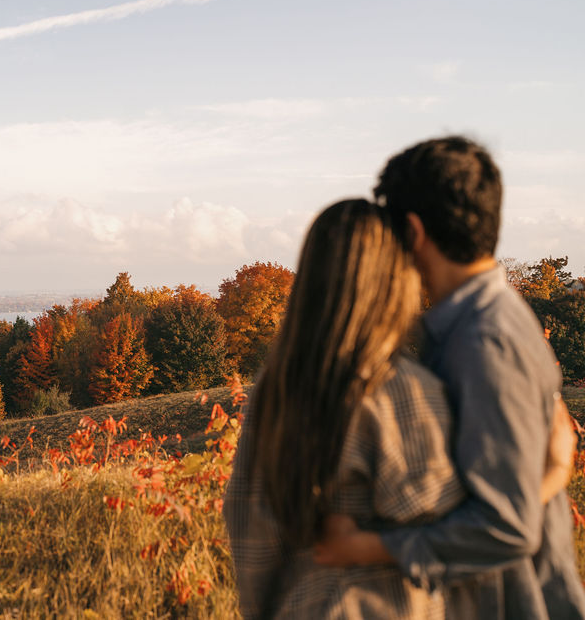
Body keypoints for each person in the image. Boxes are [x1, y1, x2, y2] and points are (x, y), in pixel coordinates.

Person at [313, 136, 585, 618]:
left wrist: (363, 548)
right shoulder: (478, 324)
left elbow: (507, 525)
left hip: (515, 603)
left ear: (413, 231)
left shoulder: (483, 342)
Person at [222, 198, 469, 618]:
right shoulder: (402, 392)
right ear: (394, 280)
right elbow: (453, 542)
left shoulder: (277, 386)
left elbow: (249, 527)